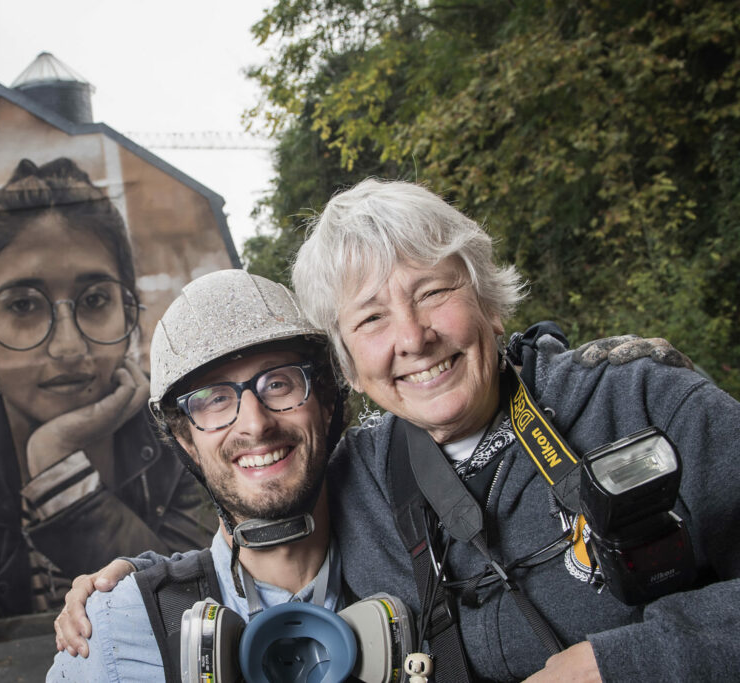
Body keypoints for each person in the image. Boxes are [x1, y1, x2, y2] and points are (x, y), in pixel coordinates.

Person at [289, 179, 739, 681]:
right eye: (372, 318)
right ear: (348, 367)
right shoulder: (349, 491)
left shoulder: (640, 401)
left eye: (433, 291)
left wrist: (621, 664)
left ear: (491, 304)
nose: (414, 338)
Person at [0, 157, 216, 621]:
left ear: (129, 315)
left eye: (95, 300)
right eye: (24, 305)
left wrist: (57, 467)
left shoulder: (182, 432)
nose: (68, 346)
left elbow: (195, 609)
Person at [46, 269, 351, 682]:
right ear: (184, 438)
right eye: (214, 399)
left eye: (279, 383)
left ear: (327, 400)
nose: (255, 424)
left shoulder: (422, 563)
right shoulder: (116, 630)